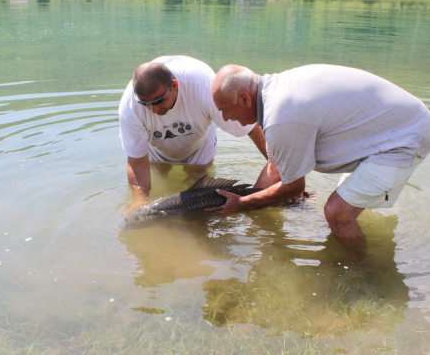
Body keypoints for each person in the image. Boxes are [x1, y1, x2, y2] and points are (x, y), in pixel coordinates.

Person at [209, 63, 430, 249]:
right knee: (344, 206)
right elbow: (275, 167)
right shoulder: (275, 94)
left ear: (245, 99)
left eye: (225, 110)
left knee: (337, 212)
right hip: (384, 129)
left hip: (404, 137)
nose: (225, 119)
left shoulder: (280, 118)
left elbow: (294, 187)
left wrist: (243, 203)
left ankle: (363, 275)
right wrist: (254, 203)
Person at [118, 56, 267, 207]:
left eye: (158, 101)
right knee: (159, 180)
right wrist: (139, 202)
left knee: (197, 185)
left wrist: (279, 168)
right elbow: (136, 162)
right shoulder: (131, 107)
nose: (154, 110)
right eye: (146, 104)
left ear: (174, 86)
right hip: (156, 148)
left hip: (199, 143)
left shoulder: (205, 88)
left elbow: (252, 128)